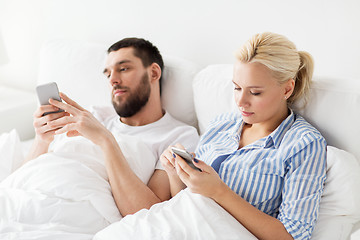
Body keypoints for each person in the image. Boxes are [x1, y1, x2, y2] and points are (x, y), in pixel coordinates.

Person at [160, 32, 326, 240]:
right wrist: (176, 174)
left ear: (287, 89)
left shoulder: (304, 144)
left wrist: (219, 191)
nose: (240, 101)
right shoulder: (221, 125)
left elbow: (293, 236)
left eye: (255, 93)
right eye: (237, 88)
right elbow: (184, 203)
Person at [24, 37, 199, 216]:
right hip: (33, 198)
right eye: (108, 74)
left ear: (153, 73)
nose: (113, 80)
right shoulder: (96, 115)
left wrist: (105, 140)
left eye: (123, 69)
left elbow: (148, 212)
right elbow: (26, 176)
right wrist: (42, 140)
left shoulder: (179, 137)